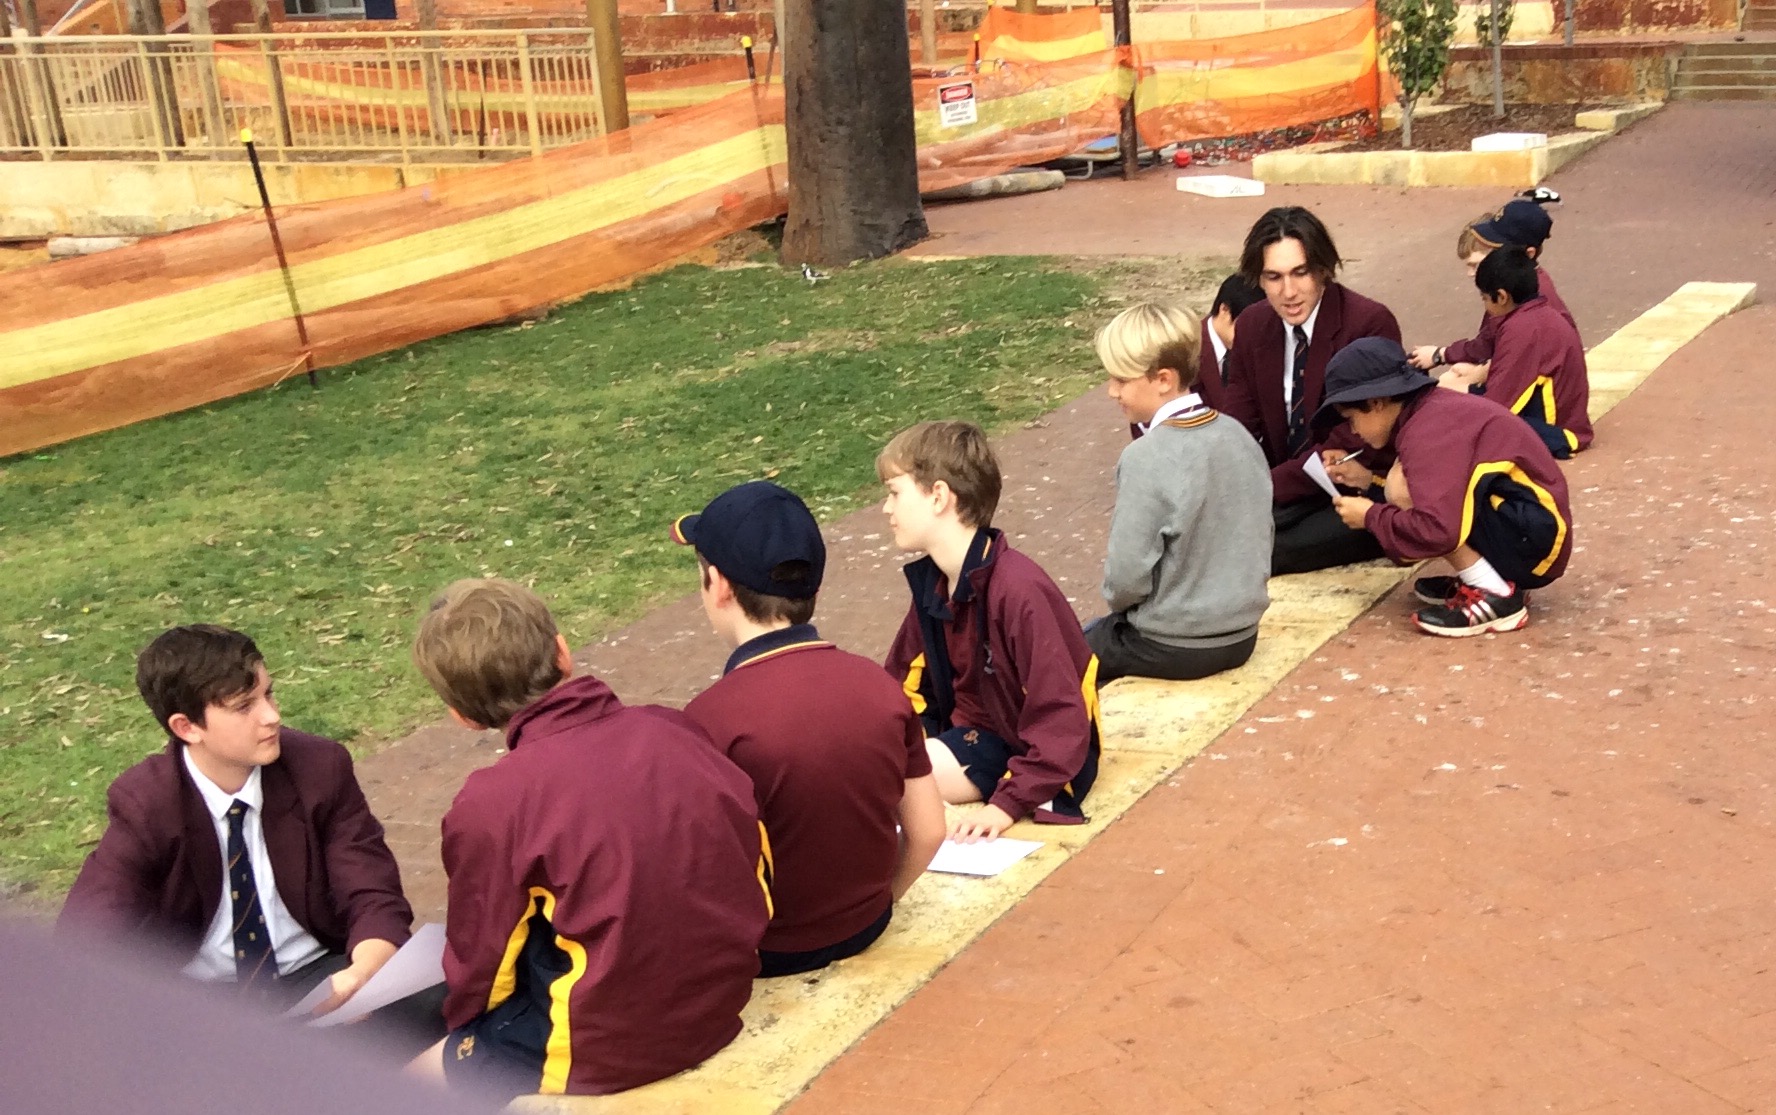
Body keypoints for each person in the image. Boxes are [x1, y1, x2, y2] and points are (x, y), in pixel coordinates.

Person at [408, 578, 769, 1097]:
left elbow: (483, 963)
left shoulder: (490, 803)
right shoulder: (674, 727)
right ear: (562, 652)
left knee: (402, 1080)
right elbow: (752, 852)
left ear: (461, 716)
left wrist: (467, 1033)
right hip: (722, 1001)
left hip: (603, 1045)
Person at [58, 625, 422, 1034]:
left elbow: (372, 893)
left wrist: (362, 976)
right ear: (187, 727)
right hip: (205, 1001)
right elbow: (89, 932)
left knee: (444, 1004)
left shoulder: (320, 767)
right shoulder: (148, 803)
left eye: (269, 694)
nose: (272, 716)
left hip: (318, 973)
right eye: (244, 706)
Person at [675, 481, 946, 978]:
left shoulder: (707, 720)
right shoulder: (879, 685)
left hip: (767, 951)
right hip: (868, 922)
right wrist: (878, 905)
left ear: (718, 585)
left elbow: (697, 878)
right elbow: (928, 831)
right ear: (814, 588)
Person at [879, 420, 1101, 842]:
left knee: (877, 783)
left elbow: (1062, 712)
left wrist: (1007, 804)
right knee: (859, 765)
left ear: (939, 496)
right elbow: (901, 686)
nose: (887, 509)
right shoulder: (936, 583)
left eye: (894, 492)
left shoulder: (1018, 588)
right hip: (970, 739)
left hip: (1015, 751)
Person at [1323, 339, 1574, 637]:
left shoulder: (1428, 429)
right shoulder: (1432, 410)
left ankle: (1495, 593)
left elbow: (1438, 530)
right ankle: (1493, 575)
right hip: (1530, 526)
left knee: (1402, 485)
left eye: (1351, 419)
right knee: (1407, 485)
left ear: (1376, 403)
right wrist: (1366, 480)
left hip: (1536, 546)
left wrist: (1370, 516)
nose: (1353, 430)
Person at [1090, 303, 1272, 684]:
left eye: (1121, 379)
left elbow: (1124, 581)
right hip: (1242, 635)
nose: (1112, 391)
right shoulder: (1237, 435)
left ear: (1163, 379)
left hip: (1170, 643)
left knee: (1050, 656)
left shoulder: (1145, 456)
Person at [1218, 206, 1403, 575]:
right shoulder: (1253, 325)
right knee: (1211, 535)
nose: (1288, 292)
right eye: (1273, 277)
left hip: (1355, 488)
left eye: (1299, 273)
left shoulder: (1367, 323)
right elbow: (1237, 423)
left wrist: (1260, 489)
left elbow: (1351, 442)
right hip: (1283, 486)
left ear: (1322, 269)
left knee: (1257, 551)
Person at [1409, 194, 1576, 387]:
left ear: (1528, 254)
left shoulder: (1528, 296)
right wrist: (1446, 356)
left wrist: (1473, 377)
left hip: (1542, 398)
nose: (1471, 274)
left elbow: (1512, 371)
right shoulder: (1517, 284)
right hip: (1530, 385)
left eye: (1478, 264)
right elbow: (1490, 342)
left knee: (1443, 388)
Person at [1462, 245, 1593, 457]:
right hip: (1560, 419)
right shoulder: (1535, 313)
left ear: (1502, 297)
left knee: (1455, 408)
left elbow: (1498, 403)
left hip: (1558, 433)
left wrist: (1464, 390)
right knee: (1457, 387)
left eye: (1484, 298)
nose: (1485, 305)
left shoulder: (1522, 328)